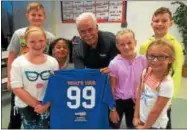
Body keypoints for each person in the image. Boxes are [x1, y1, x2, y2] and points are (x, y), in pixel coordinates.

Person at [6, 2, 55, 129]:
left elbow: (53, 58)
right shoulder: (19, 34)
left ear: (44, 16)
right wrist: (10, 79)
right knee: (16, 112)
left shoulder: (50, 37)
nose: (37, 17)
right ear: (28, 16)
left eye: (39, 15)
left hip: (41, 79)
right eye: (33, 14)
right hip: (22, 78)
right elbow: (11, 56)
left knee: (45, 119)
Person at [139, 7, 183, 129]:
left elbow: (176, 71)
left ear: (171, 23)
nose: (160, 24)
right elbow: (144, 68)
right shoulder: (145, 45)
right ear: (151, 24)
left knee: (163, 119)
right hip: (148, 92)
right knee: (147, 117)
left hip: (164, 93)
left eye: (164, 20)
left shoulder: (175, 46)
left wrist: (170, 97)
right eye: (156, 21)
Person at [108, 28, 147, 129]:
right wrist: (112, 109)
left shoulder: (143, 60)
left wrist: (142, 102)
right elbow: (112, 88)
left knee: (133, 126)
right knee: (113, 125)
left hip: (136, 101)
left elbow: (146, 82)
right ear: (117, 46)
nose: (126, 47)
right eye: (122, 44)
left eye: (129, 43)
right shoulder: (114, 63)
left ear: (135, 42)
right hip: (118, 101)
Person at [134, 39, 175, 129]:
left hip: (155, 125)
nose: (155, 60)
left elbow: (156, 111)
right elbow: (139, 94)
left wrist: (145, 127)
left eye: (161, 56)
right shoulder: (146, 71)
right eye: (151, 56)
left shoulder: (166, 84)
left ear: (170, 59)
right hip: (142, 119)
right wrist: (136, 116)